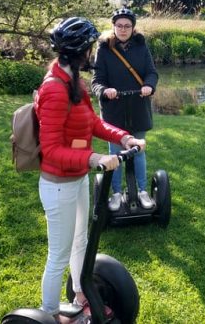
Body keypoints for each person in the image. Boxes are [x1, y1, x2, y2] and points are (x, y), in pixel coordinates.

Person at [35, 16, 145, 321]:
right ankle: (49, 313)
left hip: (77, 179)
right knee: (58, 254)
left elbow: (92, 123)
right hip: (58, 184)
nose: (93, 53)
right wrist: (93, 159)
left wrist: (123, 136)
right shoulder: (54, 90)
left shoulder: (75, 81)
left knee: (81, 241)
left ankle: (81, 296)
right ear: (81, 50)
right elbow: (51, 150)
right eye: (90, 47)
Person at [91, 7, 158, 212]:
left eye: (127, 26)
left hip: (138, 105)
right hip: (114, 109)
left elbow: (152, 73)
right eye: (119, 25)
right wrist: (105, 90)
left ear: (133, 27)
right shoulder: (104, 48)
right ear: (113, 26)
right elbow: (96, 81)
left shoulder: (141, 46)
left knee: (137, 151)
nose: (122, 29)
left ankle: (142, 191)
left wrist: (149, 85)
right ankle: (117, 193)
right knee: (116, 152)